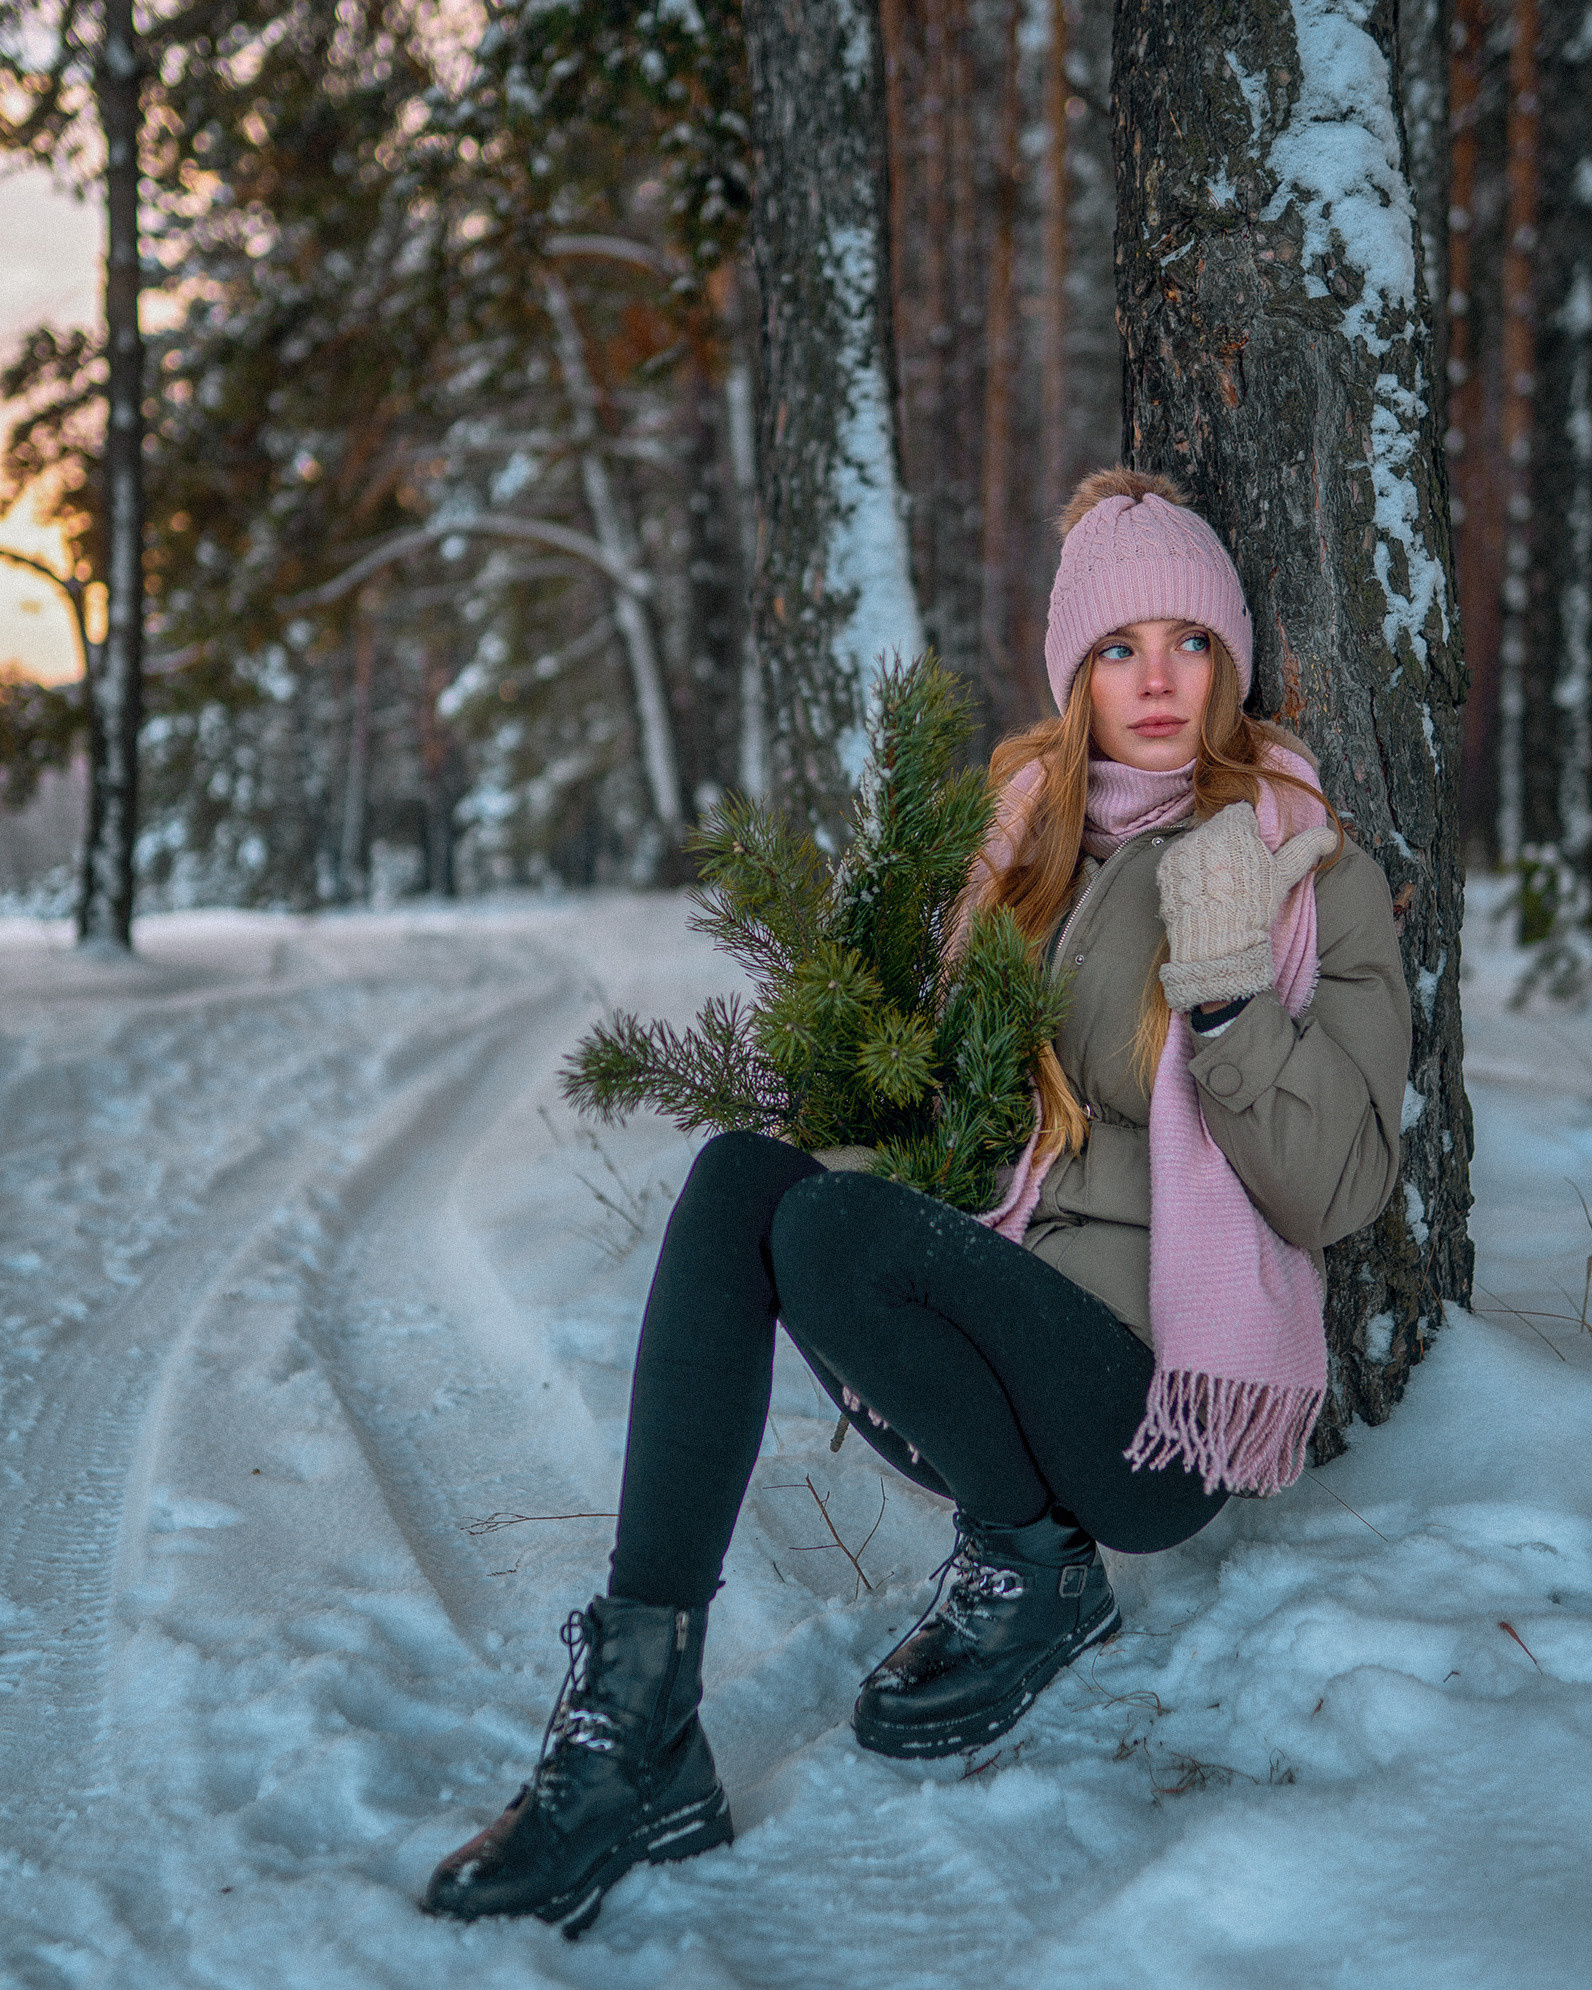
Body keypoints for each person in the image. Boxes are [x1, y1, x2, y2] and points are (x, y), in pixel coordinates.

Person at [421, 468, 1411, 1934]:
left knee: (826, 1227)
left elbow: (1341, 1182)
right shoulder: (1025, 849)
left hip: (1150, 1411)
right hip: (996, 1334)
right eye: (1120, 647)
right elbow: (956, 1120)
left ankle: (1036, 1571)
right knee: (744, 1178)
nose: (1156, 679)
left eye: (1189, 642)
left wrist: (1223, 1003)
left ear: (1232, 664)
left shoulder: (1299, 860)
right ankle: (639, 1722)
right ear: (1074, 671)